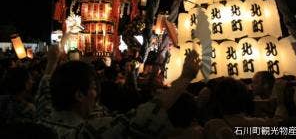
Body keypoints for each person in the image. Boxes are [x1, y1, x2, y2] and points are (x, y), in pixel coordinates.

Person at [36, 45, 201, 138]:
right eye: (93, 88)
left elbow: (45, 87)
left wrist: (52, 62)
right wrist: (184, 78)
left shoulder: (44, 115)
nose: (97, 96)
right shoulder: (83, 133)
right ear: (79, 95)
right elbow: (138, 120)